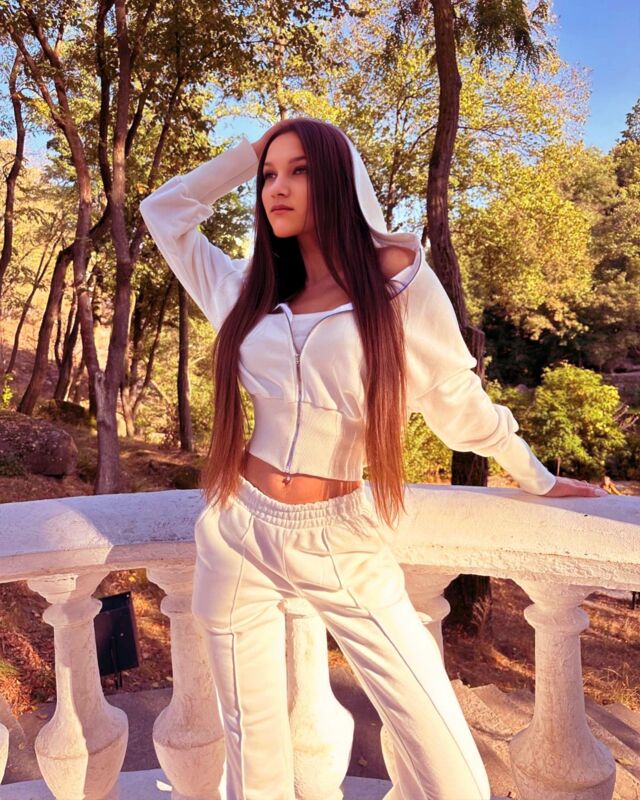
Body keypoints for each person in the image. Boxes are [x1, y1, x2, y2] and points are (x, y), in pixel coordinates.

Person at [139, 117, 607, 800]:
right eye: (269, 175)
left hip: (337, 536)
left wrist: (534, 476)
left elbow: (456, 399)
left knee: (447, 762)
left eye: (299, 170)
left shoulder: (397, 283)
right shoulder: (248, 290)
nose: (277, 187)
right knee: (252, 757)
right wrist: (249, 151)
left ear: (337, 178)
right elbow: (163, 212)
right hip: (237, 528)